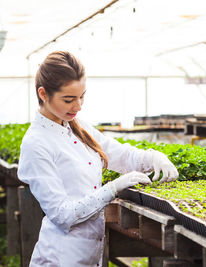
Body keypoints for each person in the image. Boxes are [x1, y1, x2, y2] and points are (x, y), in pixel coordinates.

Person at [17, 51, 178, 267]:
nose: (78, 106)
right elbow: (63, 215)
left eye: (82, 96)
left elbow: (121, 156)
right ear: (43, 94)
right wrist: (112, 189)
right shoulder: (36, 144)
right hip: (61, 259)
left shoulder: (77, 127)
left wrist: (153, 157)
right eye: (68, 99)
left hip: (90, 257)